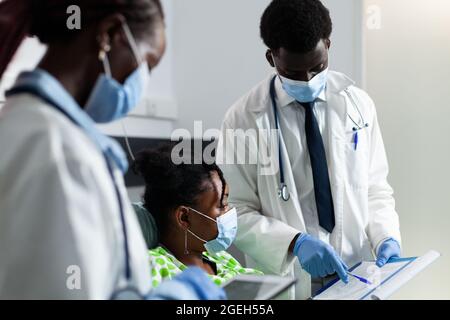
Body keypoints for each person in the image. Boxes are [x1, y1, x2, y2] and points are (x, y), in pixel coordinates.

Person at [0, 0, 225, 300]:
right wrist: (181, 296)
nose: (140, 83)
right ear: (110, 34)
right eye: (148, 63)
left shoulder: (34, 127)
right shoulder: (57, 150)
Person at [216, 0, 401, 299]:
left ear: (328, 45)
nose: (308, 79)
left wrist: (386, 237)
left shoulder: (359, 106)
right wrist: (294, 243)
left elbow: (375, 188)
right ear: (271, 57)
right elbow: (235, 211)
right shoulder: (242, 119)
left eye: (317, 67)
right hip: (287, 279)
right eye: (293, 71)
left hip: (353, 276)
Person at [132, 145, 263, 289]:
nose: (229, 211)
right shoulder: (157, 268)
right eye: (221, 205)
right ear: (184, 218)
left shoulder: (219, 257)